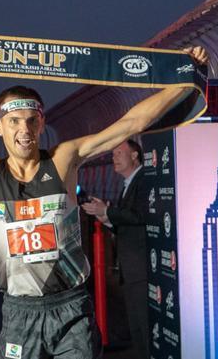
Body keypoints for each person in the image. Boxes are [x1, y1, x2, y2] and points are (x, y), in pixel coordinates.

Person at [0, 21, 207, 359]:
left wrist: (186, 81)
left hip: (71, 309)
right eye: (14, 121)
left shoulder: (63, 160)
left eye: (31, 120)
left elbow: (129, 124)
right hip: (20, 313)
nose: (24, 129)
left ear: (41, 123)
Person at [82, 139, 149, 358]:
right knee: (136, 328)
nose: (114, 158)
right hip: (130, 271)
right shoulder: (128, 184)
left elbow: (140, 216)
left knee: (144, 328)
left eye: (119, 152)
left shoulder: (143, 179)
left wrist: (109, 212)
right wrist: (105, 217)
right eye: (112, 154)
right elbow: (127, 226)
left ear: (134, 156)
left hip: (140, 269)